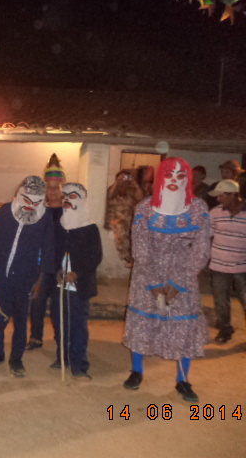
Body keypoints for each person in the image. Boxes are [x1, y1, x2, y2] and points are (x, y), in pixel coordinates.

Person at [123, 157, 210, 403]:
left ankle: (183, 379)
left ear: (188, 179)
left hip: (184, 274)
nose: (174, 180)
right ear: (160, 177)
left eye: (180, 176)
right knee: (143, 322)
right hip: (147, 273)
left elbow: (201, 248)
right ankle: (137, 371)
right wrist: (153, 282)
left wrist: (179, 282)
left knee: (184, 325)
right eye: (169, 175)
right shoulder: (145, 208)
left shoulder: (198, 208)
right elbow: (140, 248)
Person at [0, 176, 55, 377]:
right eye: (26, 200)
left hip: (26, 277)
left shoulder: (46, 217)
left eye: (35, 202)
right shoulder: (6, 211)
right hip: (1, 274)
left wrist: (39, 282)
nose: (30, 206)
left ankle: (16, 359)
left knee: (21, 321)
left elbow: (48, 250)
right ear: (20, 194)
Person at [49, 183, 102, 380]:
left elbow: (95, 257)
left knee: (78, 325)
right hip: (60, 284)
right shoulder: (59, 225)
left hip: (79, 286)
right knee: (60, 322)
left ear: (81, 199)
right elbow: (52, 252)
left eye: (72, 196)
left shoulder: (90, 228)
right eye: (65, 196)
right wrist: (57, 270)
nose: (67, 200)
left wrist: (77, 274)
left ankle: (79, 364)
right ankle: (63, 357)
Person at [28, 153, 65, 350]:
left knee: (59, 306)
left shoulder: (69, 213)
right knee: (37, 302)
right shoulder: (39, 212)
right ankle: (36, 337)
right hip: (43, 266)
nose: (52, 191)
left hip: (61, 266)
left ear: (62, 189)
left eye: (56, 187)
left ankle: (62, 341)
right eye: (49, 188)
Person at [207, 179, 246, 344]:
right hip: (219, 265)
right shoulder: (215, 213)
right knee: (221, 300)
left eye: (221, 195)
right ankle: (225, 329)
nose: (218, 199)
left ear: (233, 195)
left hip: (242, 266)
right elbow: (207, 235)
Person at [104, 169, 144, 267]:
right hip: (117, 220)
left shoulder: (133, 189)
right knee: (121, 242)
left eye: (126, 177)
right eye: (121, 177)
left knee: (133, 241)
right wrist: (117, 182)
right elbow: (109, 199)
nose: (123, 180)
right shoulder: (112, 189)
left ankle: (134, 260)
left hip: (132, 219)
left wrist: (134, 182)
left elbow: (141, 197)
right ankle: (128, 259)